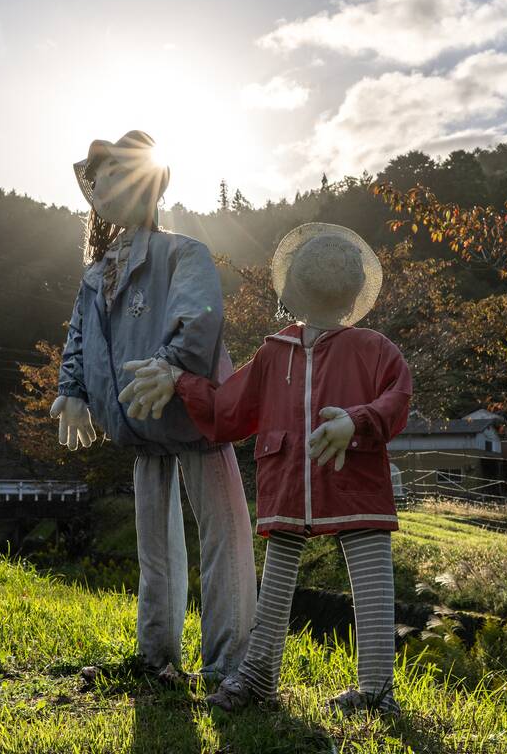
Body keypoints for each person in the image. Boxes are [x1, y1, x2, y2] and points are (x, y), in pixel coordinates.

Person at [120, 223, 411, 715]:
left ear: (289, 287)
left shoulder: (375, 349)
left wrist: (356, 423)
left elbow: (396, 399)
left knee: (372, 585)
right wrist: (179, 379)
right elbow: (228, 409)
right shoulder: (275, 353)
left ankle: (376, 691)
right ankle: (258, 679)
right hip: (288, 481)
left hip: (355, 480)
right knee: (277, 586)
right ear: (358, 291)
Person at [50, 130, 257, 685]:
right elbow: (77, 338)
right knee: (155, 545)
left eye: (118, 173)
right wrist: (72, 390)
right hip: (138, 423)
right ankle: (156, 653)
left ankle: (228, 662)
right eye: (101, 178)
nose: (104, 186)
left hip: (193, 414)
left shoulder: (181, 252)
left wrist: (171, 365)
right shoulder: (96, 275)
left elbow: (201, 316)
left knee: (224, 536)